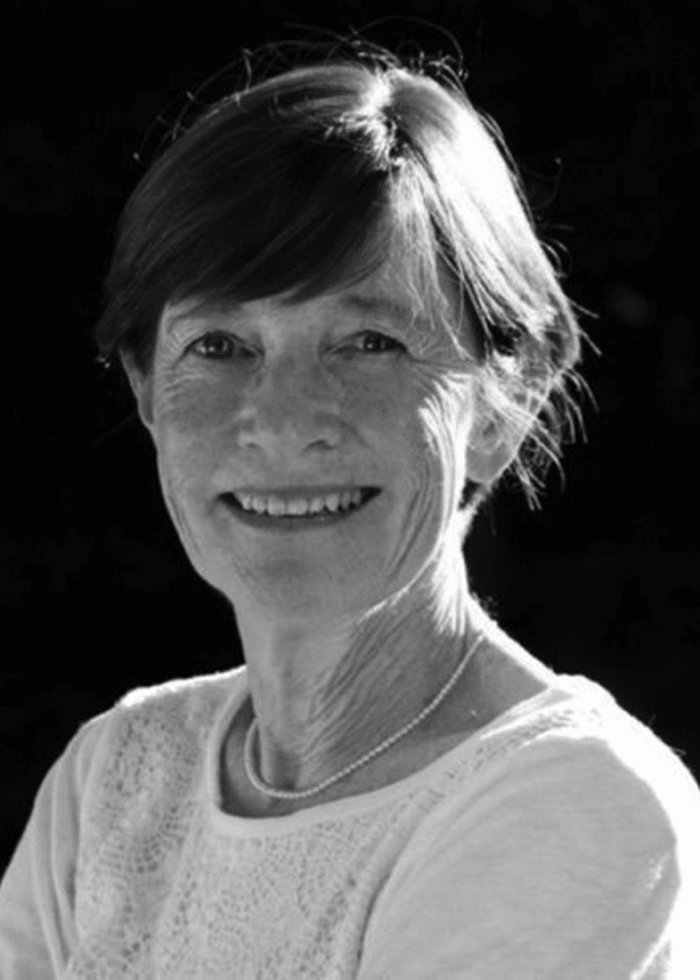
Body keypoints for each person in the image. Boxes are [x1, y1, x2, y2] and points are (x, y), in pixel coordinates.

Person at [1, 37, 699, 980]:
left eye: (368, 341)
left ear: (506, 401)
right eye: (218, 346)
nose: (282, 423)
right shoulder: (115, 779)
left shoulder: (576, 801)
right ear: (146, 394)